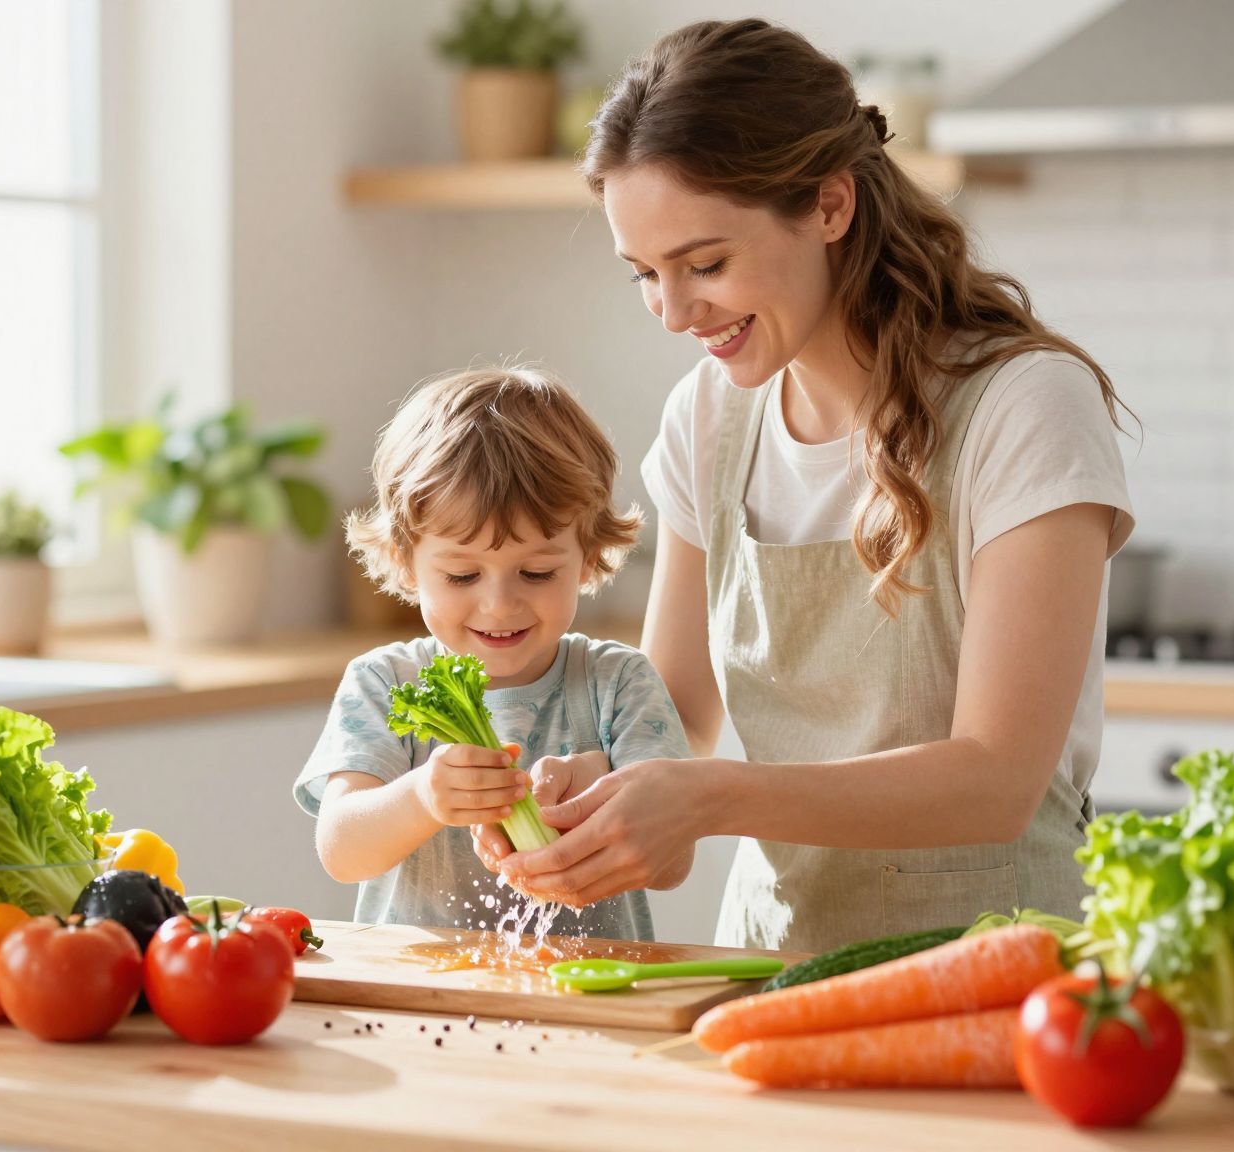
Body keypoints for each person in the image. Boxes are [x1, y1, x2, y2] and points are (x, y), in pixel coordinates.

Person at [483, 19, 1137, 953]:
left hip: (998, 970)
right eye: (645, 275)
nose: (673, 313)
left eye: (706, 264)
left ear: (830, 205)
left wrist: (707, 797)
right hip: (765, 966)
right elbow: (672, 714)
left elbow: (998, 779)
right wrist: (592, 792)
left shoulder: (1023, 407)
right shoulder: (709, 417)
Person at [295, 367, 691, 939]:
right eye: (461, 576)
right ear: (407, 564)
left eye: (536, 571)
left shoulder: (618, 681)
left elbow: (673, 865)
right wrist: (421, 797)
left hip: (590, 992)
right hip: (424, 995)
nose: (500, 605)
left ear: (587, 558)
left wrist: (599, 784)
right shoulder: (381, 681)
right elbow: (342, 850)